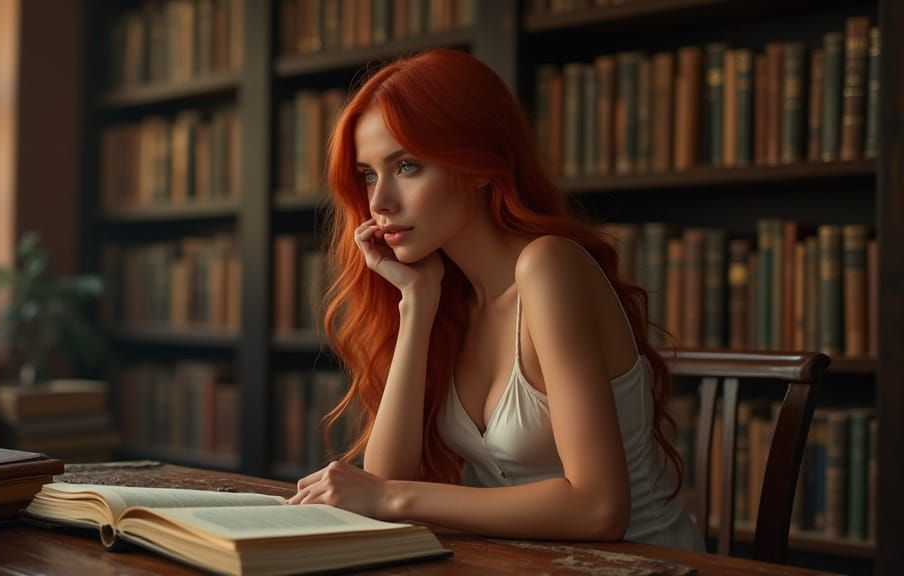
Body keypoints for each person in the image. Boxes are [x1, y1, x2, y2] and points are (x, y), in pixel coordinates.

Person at [288, 48, 704, 551]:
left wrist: (395, 499)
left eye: (408, 166)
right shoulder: (449, 298)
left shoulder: (549, 266)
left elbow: (598, 510)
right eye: (369, 174)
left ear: (481, 165)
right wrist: (417, 302)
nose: (379, 203)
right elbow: (384, 478)